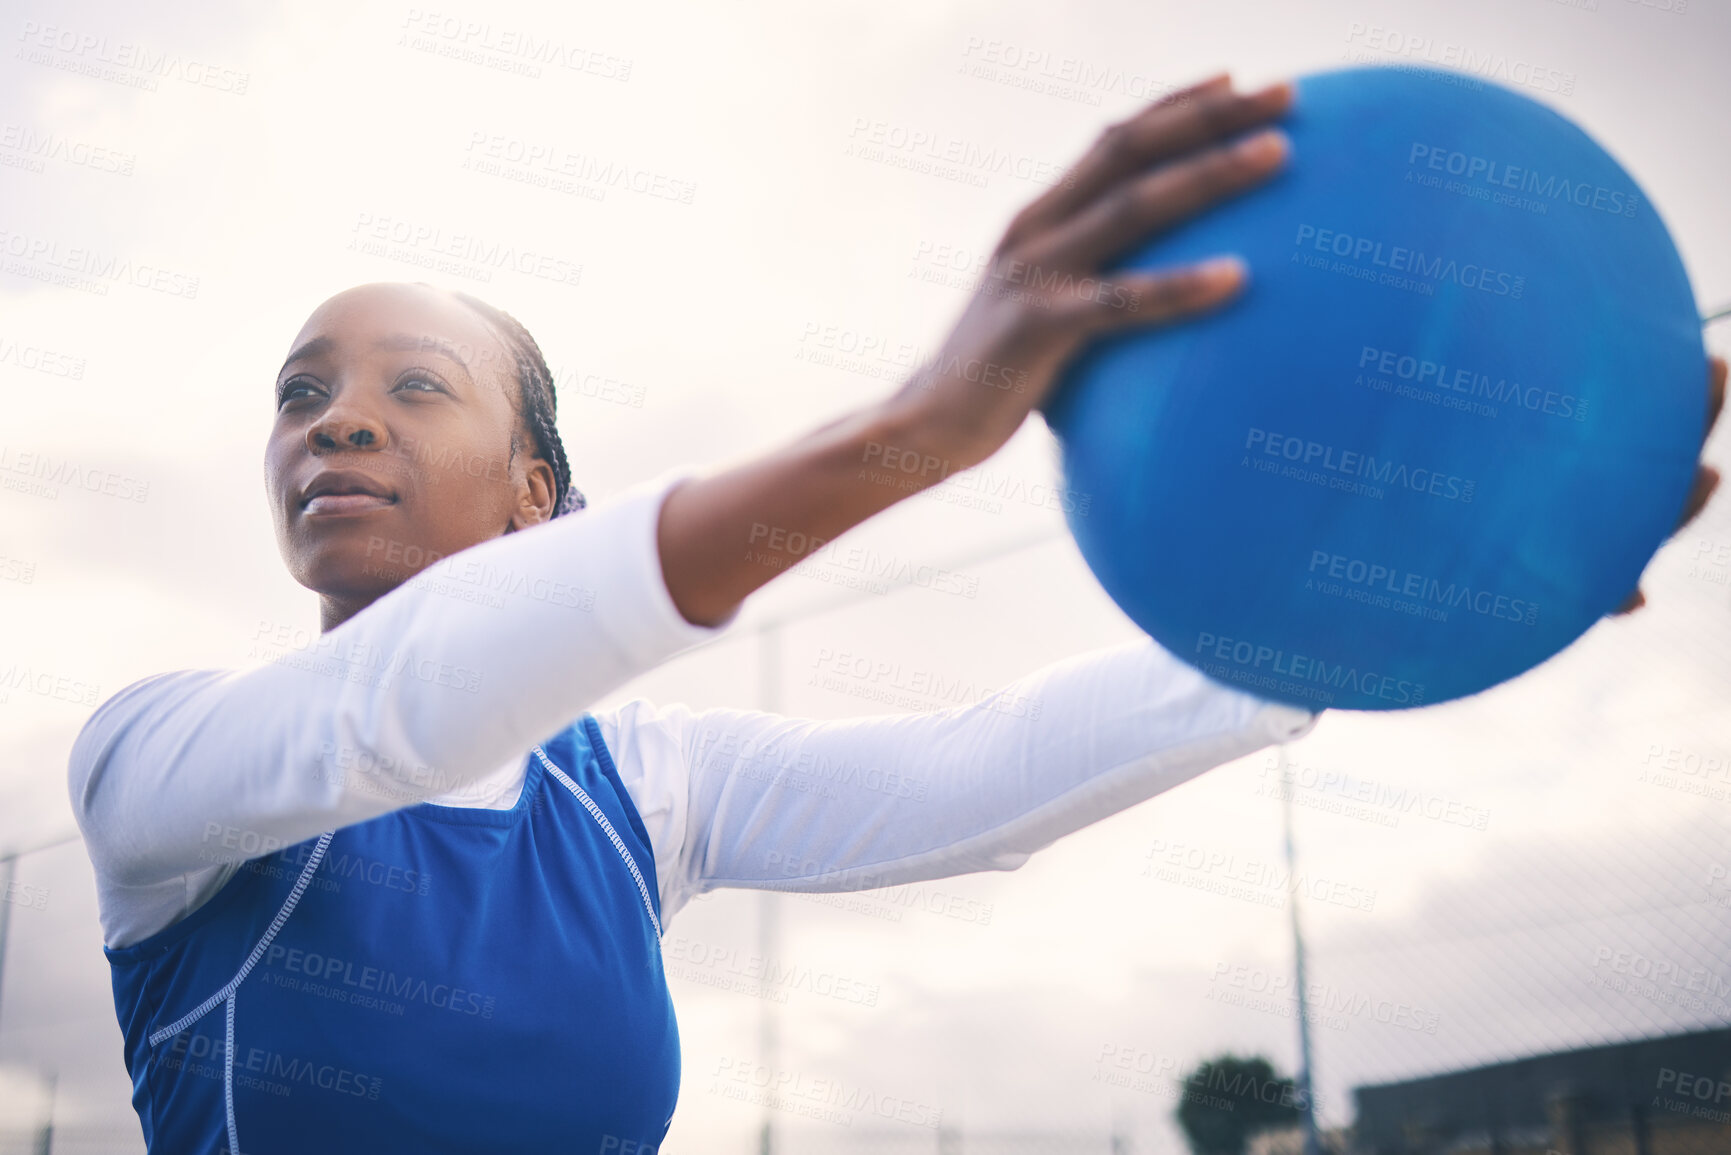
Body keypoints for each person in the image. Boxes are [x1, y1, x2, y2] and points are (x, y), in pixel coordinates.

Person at [66, 73, 1726, 1155]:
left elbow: (976, 779)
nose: (334, 421)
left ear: (533, 493)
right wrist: (913, 436)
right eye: (301, 392)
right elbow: (396, 713)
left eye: (412, 388)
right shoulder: (158, 768)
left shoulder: (636, 792)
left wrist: (1362, 608)